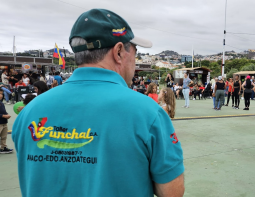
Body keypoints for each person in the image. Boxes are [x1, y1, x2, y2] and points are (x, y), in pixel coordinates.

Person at [12, 9, 184, 197]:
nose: (135, 62)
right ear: (119, 51)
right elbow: (172, 192)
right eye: (135, 52)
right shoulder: (148, 113)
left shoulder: (29, 113)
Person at [0, 89, 12, 154]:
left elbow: (4, 111)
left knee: (4, 136)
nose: (1, 95)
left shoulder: (1, 103)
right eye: (0, 94)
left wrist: (7, 114)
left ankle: (3, 147)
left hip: (4, 123)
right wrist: (3, 116)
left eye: (2, 94)